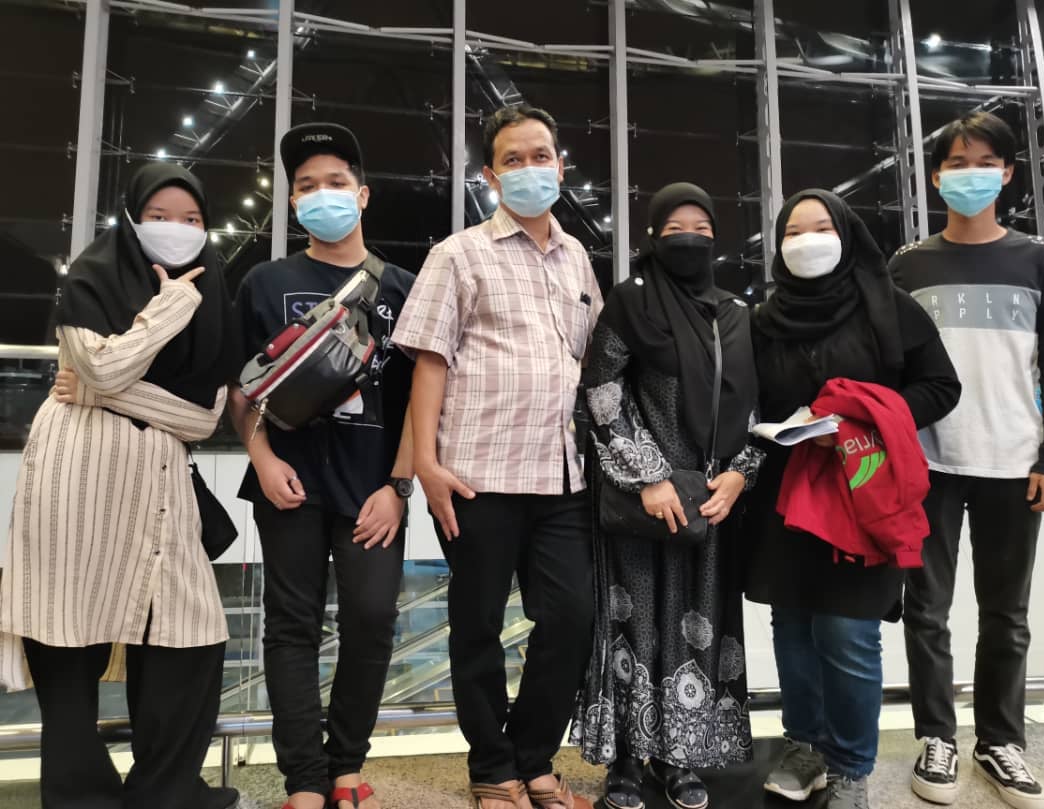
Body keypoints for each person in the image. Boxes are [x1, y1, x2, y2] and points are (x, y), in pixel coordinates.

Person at [0, 163, 241, 809]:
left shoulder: (215, 295)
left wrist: (99, 390)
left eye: (191, 219)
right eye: (159, 216)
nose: (176, 229)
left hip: (161, 486)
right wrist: (170, 307)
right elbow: (102, 366)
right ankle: (80, 796)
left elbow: (203, 417)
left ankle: (166, 791)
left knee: (191, 634)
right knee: (67, 631)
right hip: (77, 480)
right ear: (133, 220)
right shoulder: (92, 277)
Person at [392, 105, 602, 809]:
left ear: (560, 167)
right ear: (490, 175)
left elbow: (590, 357)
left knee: (571, 615)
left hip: (562, 474)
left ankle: (534, 759)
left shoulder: (577, 258)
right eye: (513, 159)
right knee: (478, 624)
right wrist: (426, 464)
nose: (529, 169)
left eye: (541, 156)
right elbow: (429, 363)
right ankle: (493, 769)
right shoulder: (458, 254)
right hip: (475, 474)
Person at [744, 189, 961, 809]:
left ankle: (850, 767)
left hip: (864, 489)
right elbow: (744, 396)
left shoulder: (889, 307)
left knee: (847, 632)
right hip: (786, 494)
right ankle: (805, 746)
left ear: (848, 235)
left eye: (821, 228)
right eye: (793, 232)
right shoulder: (764, 320)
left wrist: (864, 420)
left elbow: (941, 386)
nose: (806, 241)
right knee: (792, 625)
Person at [229, 123, 416, 809]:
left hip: (373, 487)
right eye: (306, 185)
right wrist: (261, 457)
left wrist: (398, 487)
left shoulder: (402, 288)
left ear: (362, 195)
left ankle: (347, 765)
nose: (321, 194)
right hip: (289, 480)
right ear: (291, 202)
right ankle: (305, 779)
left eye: (336, 182)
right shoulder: (265, 281)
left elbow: (421, 403)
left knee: (372, 617)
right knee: (292, 624)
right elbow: (241, 389)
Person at [892, 112, 1044, 809]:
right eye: (956, 163)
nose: (971, 174)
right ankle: (936, 736)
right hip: (929, 463)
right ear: (936, 176)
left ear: (1007, 173)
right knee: (926, 610)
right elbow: (893, 366)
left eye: (985, 161)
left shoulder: (1040, 259)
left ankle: (1000, 741)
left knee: (1007, 614)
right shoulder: (909, 264)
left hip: (1015, 461)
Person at [572, 183, 762, 809]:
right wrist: (648, 475)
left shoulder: (734, 313)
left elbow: (755, 407)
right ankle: (628, 760)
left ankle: (679, 755)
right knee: (636, 623)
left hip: (709, 498)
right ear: (653, 236)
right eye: (675, 227)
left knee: (698, 625)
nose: (690, 238)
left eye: (702, 229)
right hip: (641, 497)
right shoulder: (631, 301)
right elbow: (601, 388)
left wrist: (740, 474)